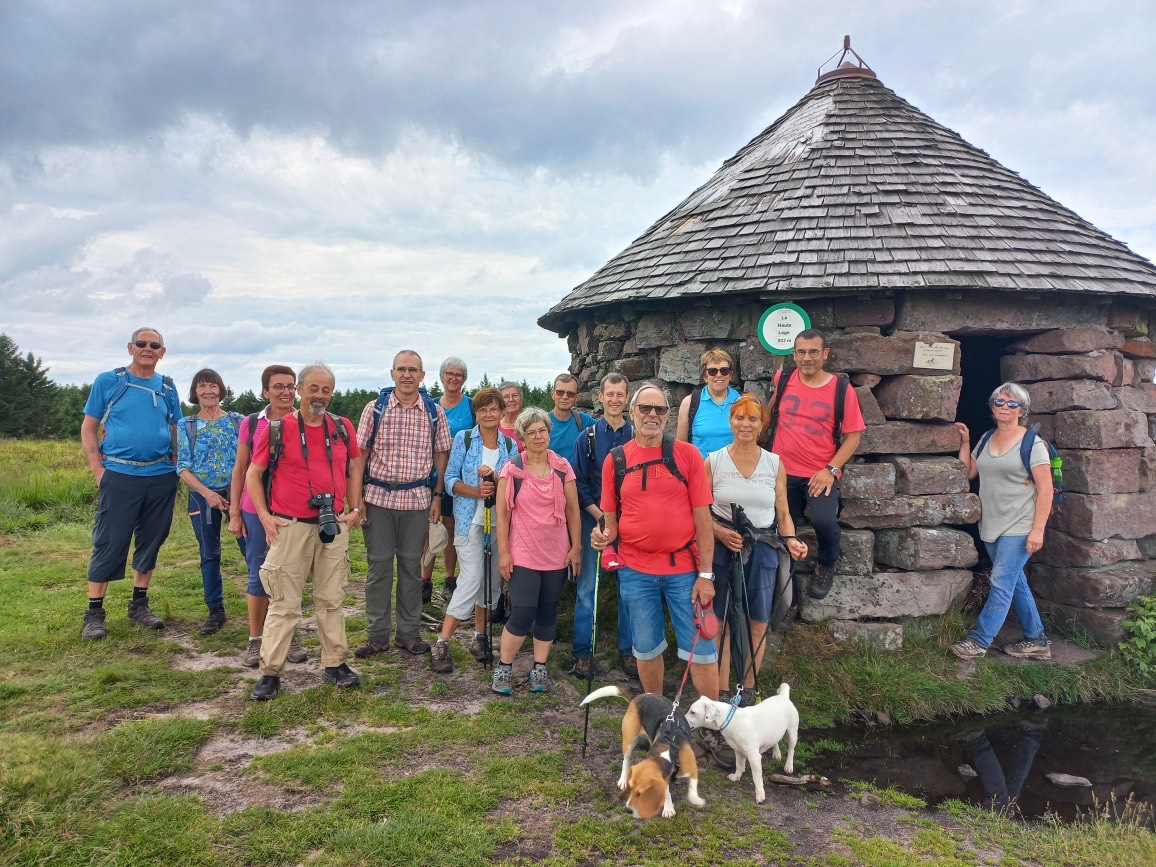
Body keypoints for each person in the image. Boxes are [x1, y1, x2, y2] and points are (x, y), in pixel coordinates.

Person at [590, 383, 719, 702]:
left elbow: (703, 522)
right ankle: (656, 715)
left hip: (684, 570)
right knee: (645, 648)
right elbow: (610, 524)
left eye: (659, 409)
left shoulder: (687, 455)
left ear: (668, 415)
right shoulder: (615, 460)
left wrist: (706, 575)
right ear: (632, 412)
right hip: (635, 569)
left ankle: (712, 722)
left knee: (701, 649)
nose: (652, 414)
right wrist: (601, 536)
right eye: (645, 408)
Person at [246, 363, 363, 700]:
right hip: (290, 525)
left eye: (326, 390)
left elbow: (354, 466)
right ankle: (270, 672)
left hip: (333, 524)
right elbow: (254, 474)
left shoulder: (342, 427)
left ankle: (335, 663)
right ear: (299, 390)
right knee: (284, 602)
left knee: (332, 598)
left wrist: (355, 508)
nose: (319, 396)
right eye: (313, 388)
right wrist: (265, 516)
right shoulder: (277, 429)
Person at [80, 327, 181, 640]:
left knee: (151, 540)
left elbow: (176, 428)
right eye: (141, 343)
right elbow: (88, 428)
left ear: (162, 352)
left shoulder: (168, 387)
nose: (147, 348)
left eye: (154, 345)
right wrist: (99, 471)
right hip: (120, 474)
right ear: (131, 348)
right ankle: (94, 614)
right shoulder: (109, 381)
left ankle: (139, 605)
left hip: (160, 475)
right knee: (110, 541)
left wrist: (175, 465)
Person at [705, 393, 808, 696]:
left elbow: (783, 514)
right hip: (723, 548)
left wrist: (791, 540)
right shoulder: (714, 461)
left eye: (753, 419)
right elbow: (697, 510)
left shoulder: (774, 464)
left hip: (763, 549)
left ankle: (747, 691)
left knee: (758, 621)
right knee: (720, 621)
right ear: (730, 421)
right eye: (740, 417)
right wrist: (719, 532)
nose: (745, 424)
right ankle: (721, 692)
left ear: (763, 425)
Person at [350, 350, 451, 658]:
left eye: (413, 370)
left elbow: (441, 455)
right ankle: (377, 635)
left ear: (422, 376)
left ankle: (409, 634)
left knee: (411, 569)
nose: (407, 375)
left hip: (418, 501)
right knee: (379, 568)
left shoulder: (434, 412)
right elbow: (359, 456)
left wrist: (437, 495)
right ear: (392, 374)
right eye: (402, 369)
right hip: (378, 499)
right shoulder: (375, 409)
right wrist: (357, 498)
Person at [951, 383, 1053, 662]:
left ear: (1021, 410)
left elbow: (1046, 490)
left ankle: (978, 642)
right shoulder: (986, 438)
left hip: (1020, 525)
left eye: (1012, 403)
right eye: (999, 402)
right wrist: (965, 443)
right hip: (991, 524)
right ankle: (1037, 641)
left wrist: (1037, 530)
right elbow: (969, 472)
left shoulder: (1033, 444)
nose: (1004, 407)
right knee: (1014, 582)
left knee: (1000, 582)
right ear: (992, 406)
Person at [763, 329, 864, 601]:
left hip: (819, 474)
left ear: (825, 354)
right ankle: (783, 588)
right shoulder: (783, 378)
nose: (807, 358)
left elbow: (853, 437)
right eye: (801, 352)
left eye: (813, 352)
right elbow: (772, 412)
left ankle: (827, 563)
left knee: (824, 521)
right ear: (794, 354)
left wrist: (830, 470)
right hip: (781, 472)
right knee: (778, 527)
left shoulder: (841, 389)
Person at [491, 408, 582, 695]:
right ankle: (504, 667)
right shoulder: (512, 469)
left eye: (542, 430)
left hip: (557, 553)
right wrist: (504, 552)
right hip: (523, 553)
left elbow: (573, 510)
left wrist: (576, 547)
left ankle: (539, 667)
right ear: (522, 437)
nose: (538, 436)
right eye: (531, 432)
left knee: (547, 611)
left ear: (549, 433)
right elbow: (503, 514)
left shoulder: (563, 468)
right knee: (522, 612)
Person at [431, 387, 517, 673]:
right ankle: (442, 641)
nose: (488, 414)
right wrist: (476, 491)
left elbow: (515, 485)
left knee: (491, 583)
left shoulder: (510, 446)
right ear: (476, 413)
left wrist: (495, 480)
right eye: (483, 409)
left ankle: (479, 637)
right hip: (469, 520)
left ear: (502, 412)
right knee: (471, 579)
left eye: (494, 409)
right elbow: (450, 479)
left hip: (499, 524)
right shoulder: (464, 439)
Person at [228, 365, 309, 667]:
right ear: (265, 391)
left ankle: (287, 633)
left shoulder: (305, 422)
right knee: (258, 572)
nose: (285, 392)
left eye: (290, 386)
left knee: (289, 573)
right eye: (278, 386)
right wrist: (235, 512)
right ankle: (256, 638)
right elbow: (240, 469)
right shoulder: (251, 424)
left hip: (291, 510)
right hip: (254, 508)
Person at [570, 373, 637, 680]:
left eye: (620, 394)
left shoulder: (636, 435)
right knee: (587, 587)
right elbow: (579, 483)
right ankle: (583, 652)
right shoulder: (587, 438)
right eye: (609, 394)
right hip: (594, 519)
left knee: (630, 588)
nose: (614, 400)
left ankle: (630, 650)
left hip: (631, 522)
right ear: (600, 396)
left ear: (627, 398)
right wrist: (601, 516)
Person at [177, 368, 244, 635]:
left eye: (213, 386)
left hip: (238, 494)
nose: (208, 391)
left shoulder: (238, 421)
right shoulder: (187, 425)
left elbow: (249, 460)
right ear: (195, 392)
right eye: (202, 386)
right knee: (209, 553)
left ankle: (265, 604)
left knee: (251, 549)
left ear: (221, 390)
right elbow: (182, 467)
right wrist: (207, 494)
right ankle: (215, 610)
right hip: (202, 496)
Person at [422, 356, 475, 603]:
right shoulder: (430, 406)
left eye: (459, 375)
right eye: (450, 374)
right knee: (429, 527)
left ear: (464, 379)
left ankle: (450, 580)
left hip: (459, 478)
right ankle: (424, 581)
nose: (454, 378)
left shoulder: (471, 406)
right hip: (431, 476)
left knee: (451, 527)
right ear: (442, 376)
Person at [676, 348, 742, 458]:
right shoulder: (689, 403)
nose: (719, 375)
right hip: (701, 467)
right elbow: (681, 446)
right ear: (705, 376)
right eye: (712, 371)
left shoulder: (742, 402)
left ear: (730, 375)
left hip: (735, 467)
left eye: (724, 370)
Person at [546, 373, 593, 463]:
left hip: (577, 473)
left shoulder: (584, 420)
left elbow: (606, 430)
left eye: (570, 394)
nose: (565, 397)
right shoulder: (542, 422)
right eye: (560, 392)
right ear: (553, 394)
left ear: (577, 397)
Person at [498, 380, 525, 450]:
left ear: (521, 400)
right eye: (506, 397)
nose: (511, 400)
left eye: (515, 395)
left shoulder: (529, 424)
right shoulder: (494, 426)